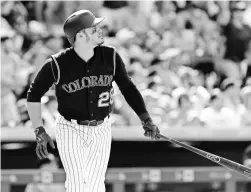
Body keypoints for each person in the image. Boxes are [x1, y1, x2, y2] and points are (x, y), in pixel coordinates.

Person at [26, 10, 160, 192]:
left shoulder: (110, 56)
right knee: (77, 182)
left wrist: (146, 118)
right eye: (93, 28)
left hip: (102, 127)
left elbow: (127, 87)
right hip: (70, 127)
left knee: (96, 185)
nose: (100, 30)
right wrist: (39, 129)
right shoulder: (57, 63)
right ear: (80, 35)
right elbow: (33, 95)